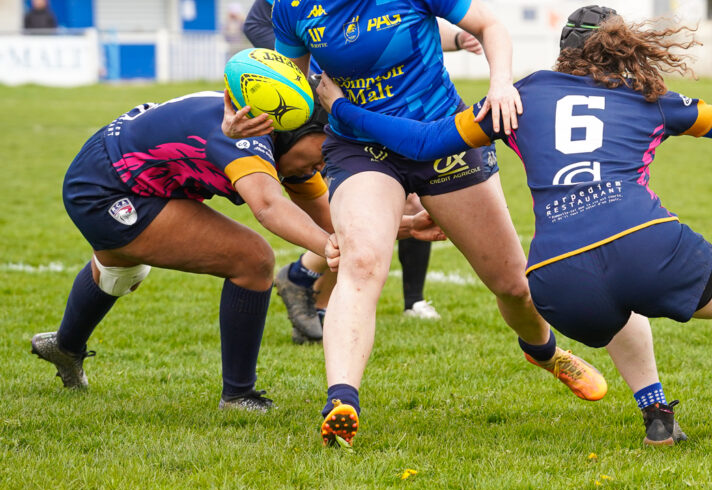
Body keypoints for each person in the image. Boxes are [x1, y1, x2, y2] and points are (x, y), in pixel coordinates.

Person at [318, 4, 712, 447]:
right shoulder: (652, 98)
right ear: (624, 48)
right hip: (644, 241)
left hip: (554, 276)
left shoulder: (520, 96)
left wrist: (340, 108)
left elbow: (422, 141)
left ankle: (656, 415)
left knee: (619, 305)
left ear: (563, 53)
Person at [269, 0, 608, 447]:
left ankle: (545, 352)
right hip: (360, 149)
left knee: (512, 285)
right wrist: (257, 116)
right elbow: (285, 83)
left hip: (444, 138)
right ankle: (341, 403)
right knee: (362, 262)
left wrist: (500, 84)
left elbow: (490, 26)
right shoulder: (294, 2)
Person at [32, 91, 442, 411]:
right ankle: (238, 395)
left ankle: (64, 348)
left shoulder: (289, 151)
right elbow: (268, 206)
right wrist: (327, 247)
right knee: (253, 259)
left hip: (126, 178)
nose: (319, 169)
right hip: (105, 187)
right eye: (320, 156)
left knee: (120, 268)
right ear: (296, 132)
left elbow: (336, 221)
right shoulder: (246, 134)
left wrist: (403, 227)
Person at [244, 0, 479, 337]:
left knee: (411, 190)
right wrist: (299, 76)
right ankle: (313, 282)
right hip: (328, 99)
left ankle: (389, 296)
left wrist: (458, 38)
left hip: (384, 96)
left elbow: (392, 27)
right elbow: (258, 23)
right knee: (368, 208)